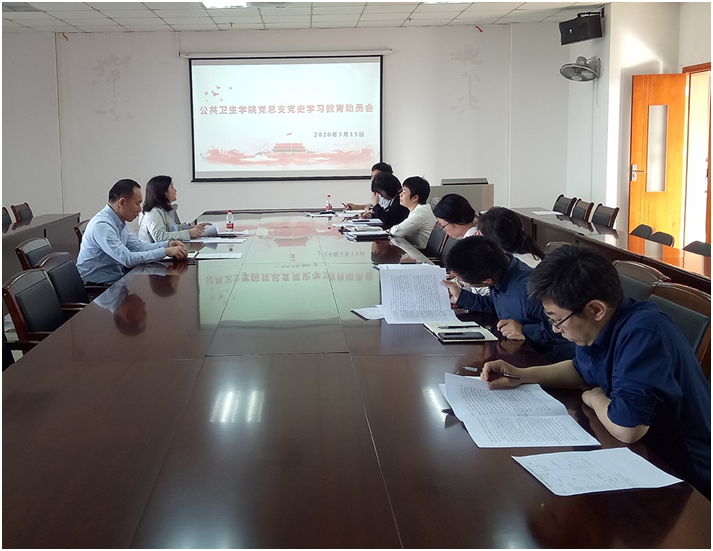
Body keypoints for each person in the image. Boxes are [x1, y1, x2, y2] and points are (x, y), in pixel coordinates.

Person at [480, 244, 711, 498]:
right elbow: (581, 370)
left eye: (557, 320)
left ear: (595, 309)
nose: (555, 329)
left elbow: (627, 428)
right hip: (642, 455)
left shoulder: (644, 334)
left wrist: (593, 397)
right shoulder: (601, 324)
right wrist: (521, 375)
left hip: (686, 475)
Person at [442, 236, 575, 359]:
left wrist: (524, 330)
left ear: (487, 280)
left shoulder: (529, 293)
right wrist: (461, 296)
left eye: (465, 282)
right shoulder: (504, 268)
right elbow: (498, 305)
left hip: (546, 359)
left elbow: (567, 328)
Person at [77, 178, 187, 285]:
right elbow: (127, 259)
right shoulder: (102, 226)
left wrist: (167, 244)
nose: (140, 209)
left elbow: (138, 247)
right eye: (137, 203)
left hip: (117, 279)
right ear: (122, 203)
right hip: (97, 287)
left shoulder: (119, 222)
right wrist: (166, 252)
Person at [138, 175, 210, 243]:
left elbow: (172, 228)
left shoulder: (164, 210)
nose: (175, 190)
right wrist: (189, 233)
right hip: (153, 251)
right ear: (163, 192)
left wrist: (191, 227)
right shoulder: (153, 212)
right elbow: (160, 237)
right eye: (172, 187)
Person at [477, 207, 545, 268]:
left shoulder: (520, 266)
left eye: (479, 234)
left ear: (494, 240)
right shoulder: (520, 259)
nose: (476, 237)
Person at [388, 176, 437, 249]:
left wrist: (390, 230)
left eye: (404, 192)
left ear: (415, 198)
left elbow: (397, 232)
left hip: (423, 252)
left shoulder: (420, 214)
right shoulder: (422, 208)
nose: (400, 194)